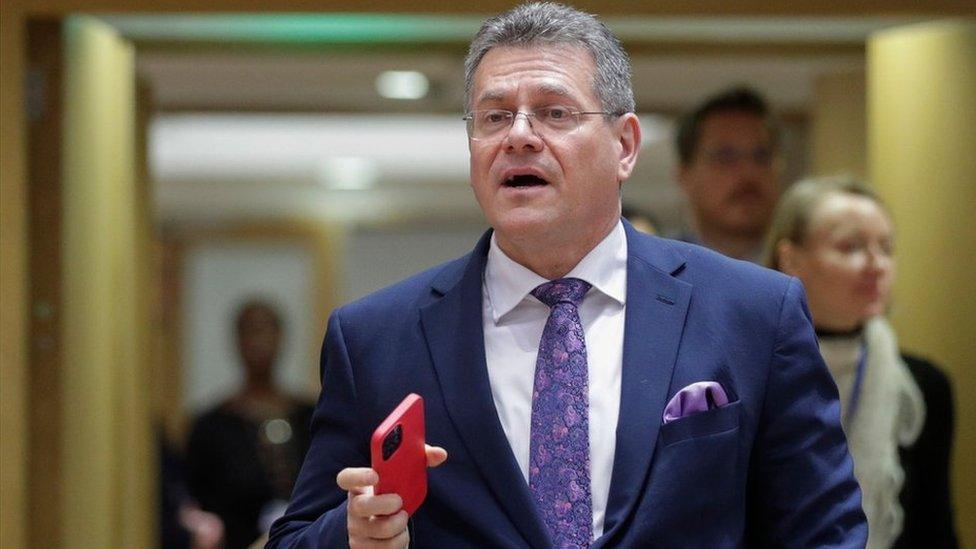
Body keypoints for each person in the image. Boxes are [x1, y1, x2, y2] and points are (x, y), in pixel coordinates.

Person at [268, 4, 866, 547]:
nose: (519, 136)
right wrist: (346, 535)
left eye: (554, 112)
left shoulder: (755, 313)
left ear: (624, 146)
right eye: (494, 116)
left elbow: (823, 532)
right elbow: (294, 538)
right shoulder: (374, 338)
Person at [763, 176, 958, 549]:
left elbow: (936, 524)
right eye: (850, 247)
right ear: (790, 259)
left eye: (886, 248)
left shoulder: (924, 384)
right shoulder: (752, 371)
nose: (876, 264)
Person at [186, 299, 315, 549]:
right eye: (249, 330)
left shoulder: (311, 415)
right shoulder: (211, 426)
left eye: (267, 329)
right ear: (236, 340)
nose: (259, 340)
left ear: (281, 337)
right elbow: (196, 506)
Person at [674, 87, 781, 262]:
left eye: (761, 157)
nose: (749, 172)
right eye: (726, 157)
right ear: (685, 176)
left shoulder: (810, 273)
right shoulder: (655, 274)